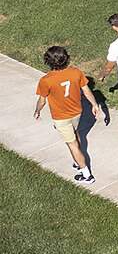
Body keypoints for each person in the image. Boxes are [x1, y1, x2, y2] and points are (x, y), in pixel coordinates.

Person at [34, 46, 101, 184]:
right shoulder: (76, 72)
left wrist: (37, 110)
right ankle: (78, 161)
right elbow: (86, 90)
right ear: (66, 58)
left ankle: (86, 174)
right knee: (76, 135)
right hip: (77, 112)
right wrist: (94, 104)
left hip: (61, 118)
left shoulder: (46, 80)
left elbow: (42, 101)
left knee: (72, 145)